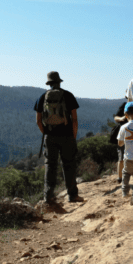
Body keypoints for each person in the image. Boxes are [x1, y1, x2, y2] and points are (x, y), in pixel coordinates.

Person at [34, 71, 84, 203]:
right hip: (67, 135)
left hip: (50, 136)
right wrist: (73, 136)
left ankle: (48, 197)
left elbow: (38, 121)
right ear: (59, 82)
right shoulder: (68, 96)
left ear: (49, 83)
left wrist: (46, 133)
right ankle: (72, 195)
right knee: (69, 165)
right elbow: (74, 119)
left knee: (50, 166)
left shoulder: (42, 97)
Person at [111, 100, 128, 184]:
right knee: (121, 156)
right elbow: (116, 117)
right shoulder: (125, 105)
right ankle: (120, 177)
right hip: (123, 133)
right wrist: (122, 118)